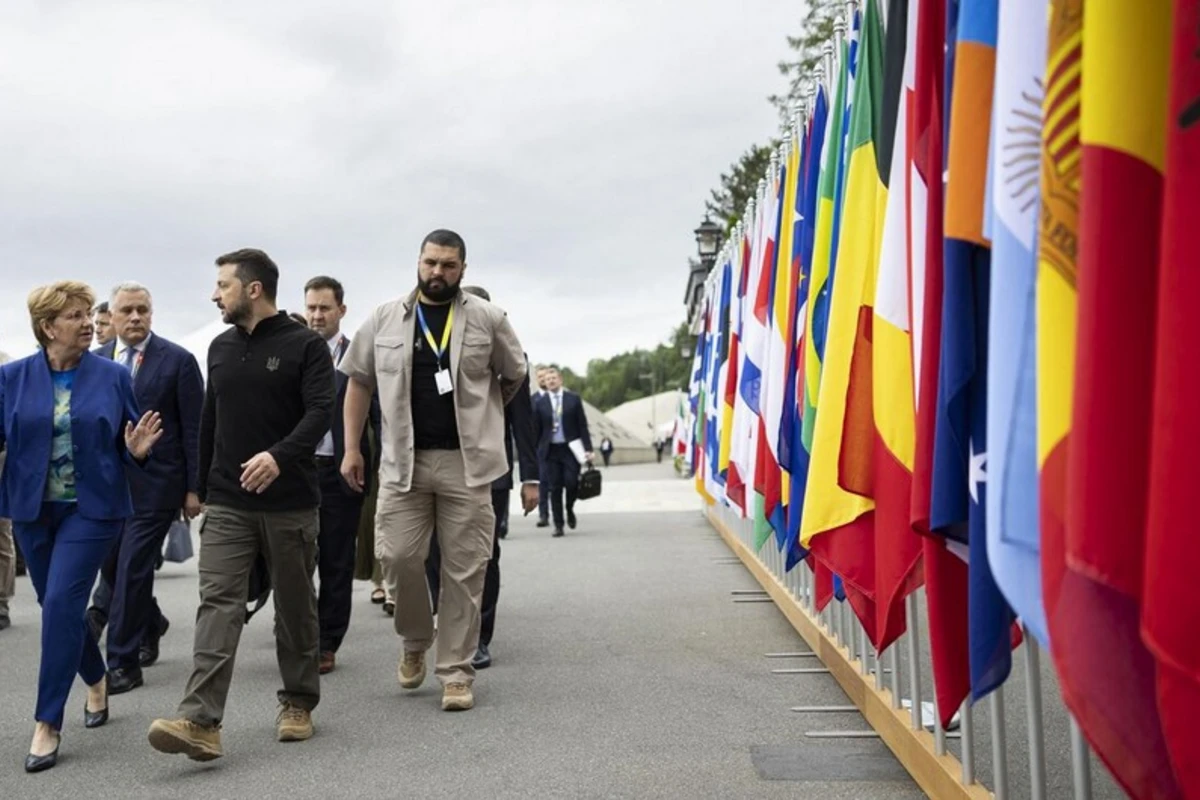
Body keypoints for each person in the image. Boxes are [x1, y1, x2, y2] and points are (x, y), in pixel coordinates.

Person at [148, 248, 334, 761]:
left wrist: (278, 456)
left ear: (253, 289)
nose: (215, 294)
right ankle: (201, 720)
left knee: (295, 610)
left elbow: (321, 411)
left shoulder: (306, 347)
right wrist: (199, 487)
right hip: (228, 501)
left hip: (291, 503)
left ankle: (298, 701)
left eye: (223, 286)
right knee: (218, 605)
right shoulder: (220, 348)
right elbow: (211, 418)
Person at [339, 229, 529, 712]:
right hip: (403, 462)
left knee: (465, 572)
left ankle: (456, 674)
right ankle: (414, 639)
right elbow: (358, 380)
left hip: (467, 466)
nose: (437, 272)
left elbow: (515, 373)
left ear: (463, 268)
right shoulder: (384, 318)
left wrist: (485, 417)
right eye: (430, 263)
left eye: (447, 265)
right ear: (418, 262)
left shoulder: (488, 318)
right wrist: (351, 449)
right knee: (398, 558)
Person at [1, 280, 162, 773]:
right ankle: (96, 679)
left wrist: (134, 453)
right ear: (48, 327)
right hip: (32, 509)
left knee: (63, 603)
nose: (88, 323)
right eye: (74, 316)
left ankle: (47, 722)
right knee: (59, 607)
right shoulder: (12, 378)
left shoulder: (112, 376)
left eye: (89, 315)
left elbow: (130, 437)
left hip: (92, 510)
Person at [425, 284, 538, 671]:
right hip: (435, 465)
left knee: (483, 555)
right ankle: (446, 619)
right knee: (433, 551)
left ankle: (479, 636)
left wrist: (531, 478)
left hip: (490, 472)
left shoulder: (510, 357)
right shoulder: (430, 353)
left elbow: (523, 422)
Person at [98, 282, 204, 693]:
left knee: (130, 569)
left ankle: (122, 663)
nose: (136, 317)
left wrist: (195, 489)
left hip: (158, 485)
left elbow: (195, 428)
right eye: (128, 310)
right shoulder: (98, 360)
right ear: (114, 316)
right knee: (110, 566)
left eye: (143, 309)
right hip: (109, 487)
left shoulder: (177, 360)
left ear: (152, 313)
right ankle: (152, 621)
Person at [303, 275, 380, 675]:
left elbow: (379, 415)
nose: (317, 316)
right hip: (297, 474)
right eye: (311, 307)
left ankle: (326, 642)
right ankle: (299, 634)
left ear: (341, 311)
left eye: (324, 308)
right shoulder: (292, 353)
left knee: (336, 558)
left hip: (341, 473)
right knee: (296, 561)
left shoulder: (359, 357)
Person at [533, 367, 593, 537]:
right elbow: (536, 429)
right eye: (548, 379)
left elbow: (582, 425)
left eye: (554, 378)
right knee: (555, 487)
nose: (550, 381)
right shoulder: (540, 403)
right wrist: (535, 451)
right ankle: (558, 524)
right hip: (550, 450)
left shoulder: (572, 399)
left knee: (572, 482)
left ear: (560, 380)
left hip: (570, 449)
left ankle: (570, 508)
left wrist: (588, 449)